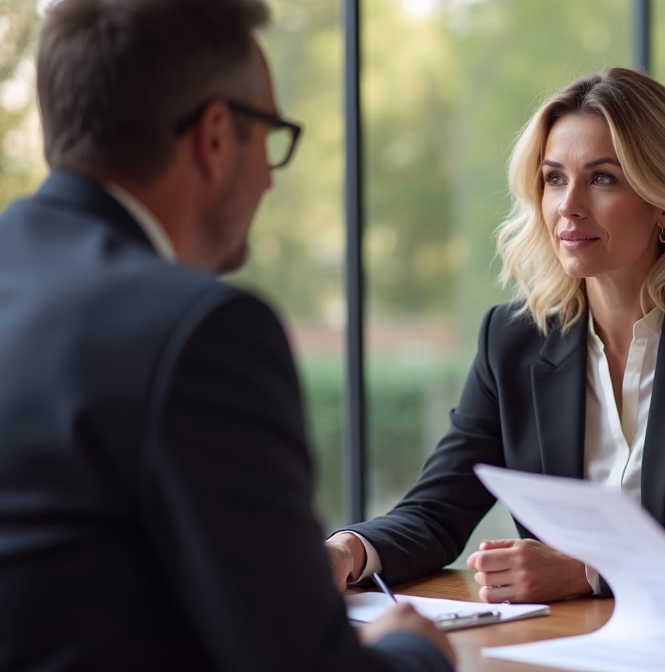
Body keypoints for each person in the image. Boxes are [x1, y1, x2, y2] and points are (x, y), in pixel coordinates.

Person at [0, 1, 453, 670]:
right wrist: (414, 648)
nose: (269, 176)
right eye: (269, 136)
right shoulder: (198, 333)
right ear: (215, 136)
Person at [327, 67, 665, 604]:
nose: (568, 206)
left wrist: (590, 571)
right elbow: (435, 511)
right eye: (554, 178)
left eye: (603, 179)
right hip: (561, 637)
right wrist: (346, 550)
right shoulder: (512, 339)